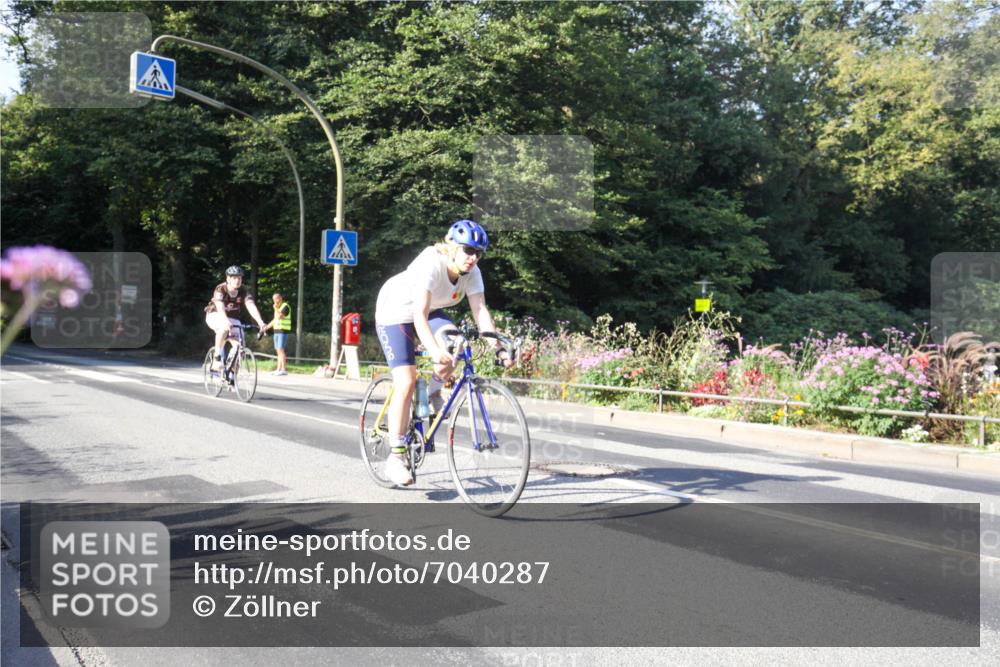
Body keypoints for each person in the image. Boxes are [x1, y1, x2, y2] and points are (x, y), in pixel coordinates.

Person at [374, 219, 512, 486]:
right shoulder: (431, 262)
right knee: (407, 381)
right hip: (396, 311)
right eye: (468, 250)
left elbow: (480, 310)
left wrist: (498, 346)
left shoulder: (473, 273)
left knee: (458, 342)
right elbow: (418, 315)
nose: (473, 258)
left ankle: (435, 389)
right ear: (451, 247)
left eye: (478, 253)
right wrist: (434, 351)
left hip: (430, 310)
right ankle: (396, 457)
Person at [204, 265, 267, 371]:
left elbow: (250, 305)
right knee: (224, 327)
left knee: (240, 345)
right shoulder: (221, 288)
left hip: (232, 318)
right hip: (215, 314)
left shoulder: (243, 290)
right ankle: (217, 357)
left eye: (240, 278)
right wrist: (225, 320)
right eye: (234, 278)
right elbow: (220, 306)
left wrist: (260, 322)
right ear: (228, 279)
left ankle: (232, 375)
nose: (238, 280)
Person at [263, 292, 292, 375]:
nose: (275, 301)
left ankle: (283, 369)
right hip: (276, 331)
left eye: (276, 299)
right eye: (274, 300)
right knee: (278, 350)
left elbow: (280, 317)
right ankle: (278, 369)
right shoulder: (278, 308)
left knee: (280, 349)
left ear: (280, 298)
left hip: (283, 330)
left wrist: (275, 308)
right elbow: (275, 320)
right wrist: (266, 328)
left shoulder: (285, 306)